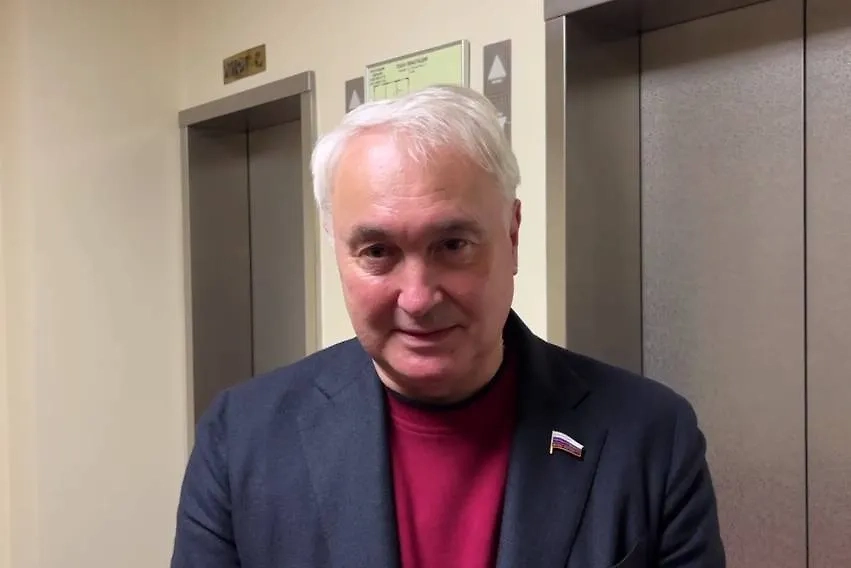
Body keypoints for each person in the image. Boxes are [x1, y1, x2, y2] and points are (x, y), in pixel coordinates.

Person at [170, 85, 726, 568]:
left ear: (512, 235)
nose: (418, 298)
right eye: (377, 251)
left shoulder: (650, 437)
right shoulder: (241, 440)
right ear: (336, 250)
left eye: (453, 245)